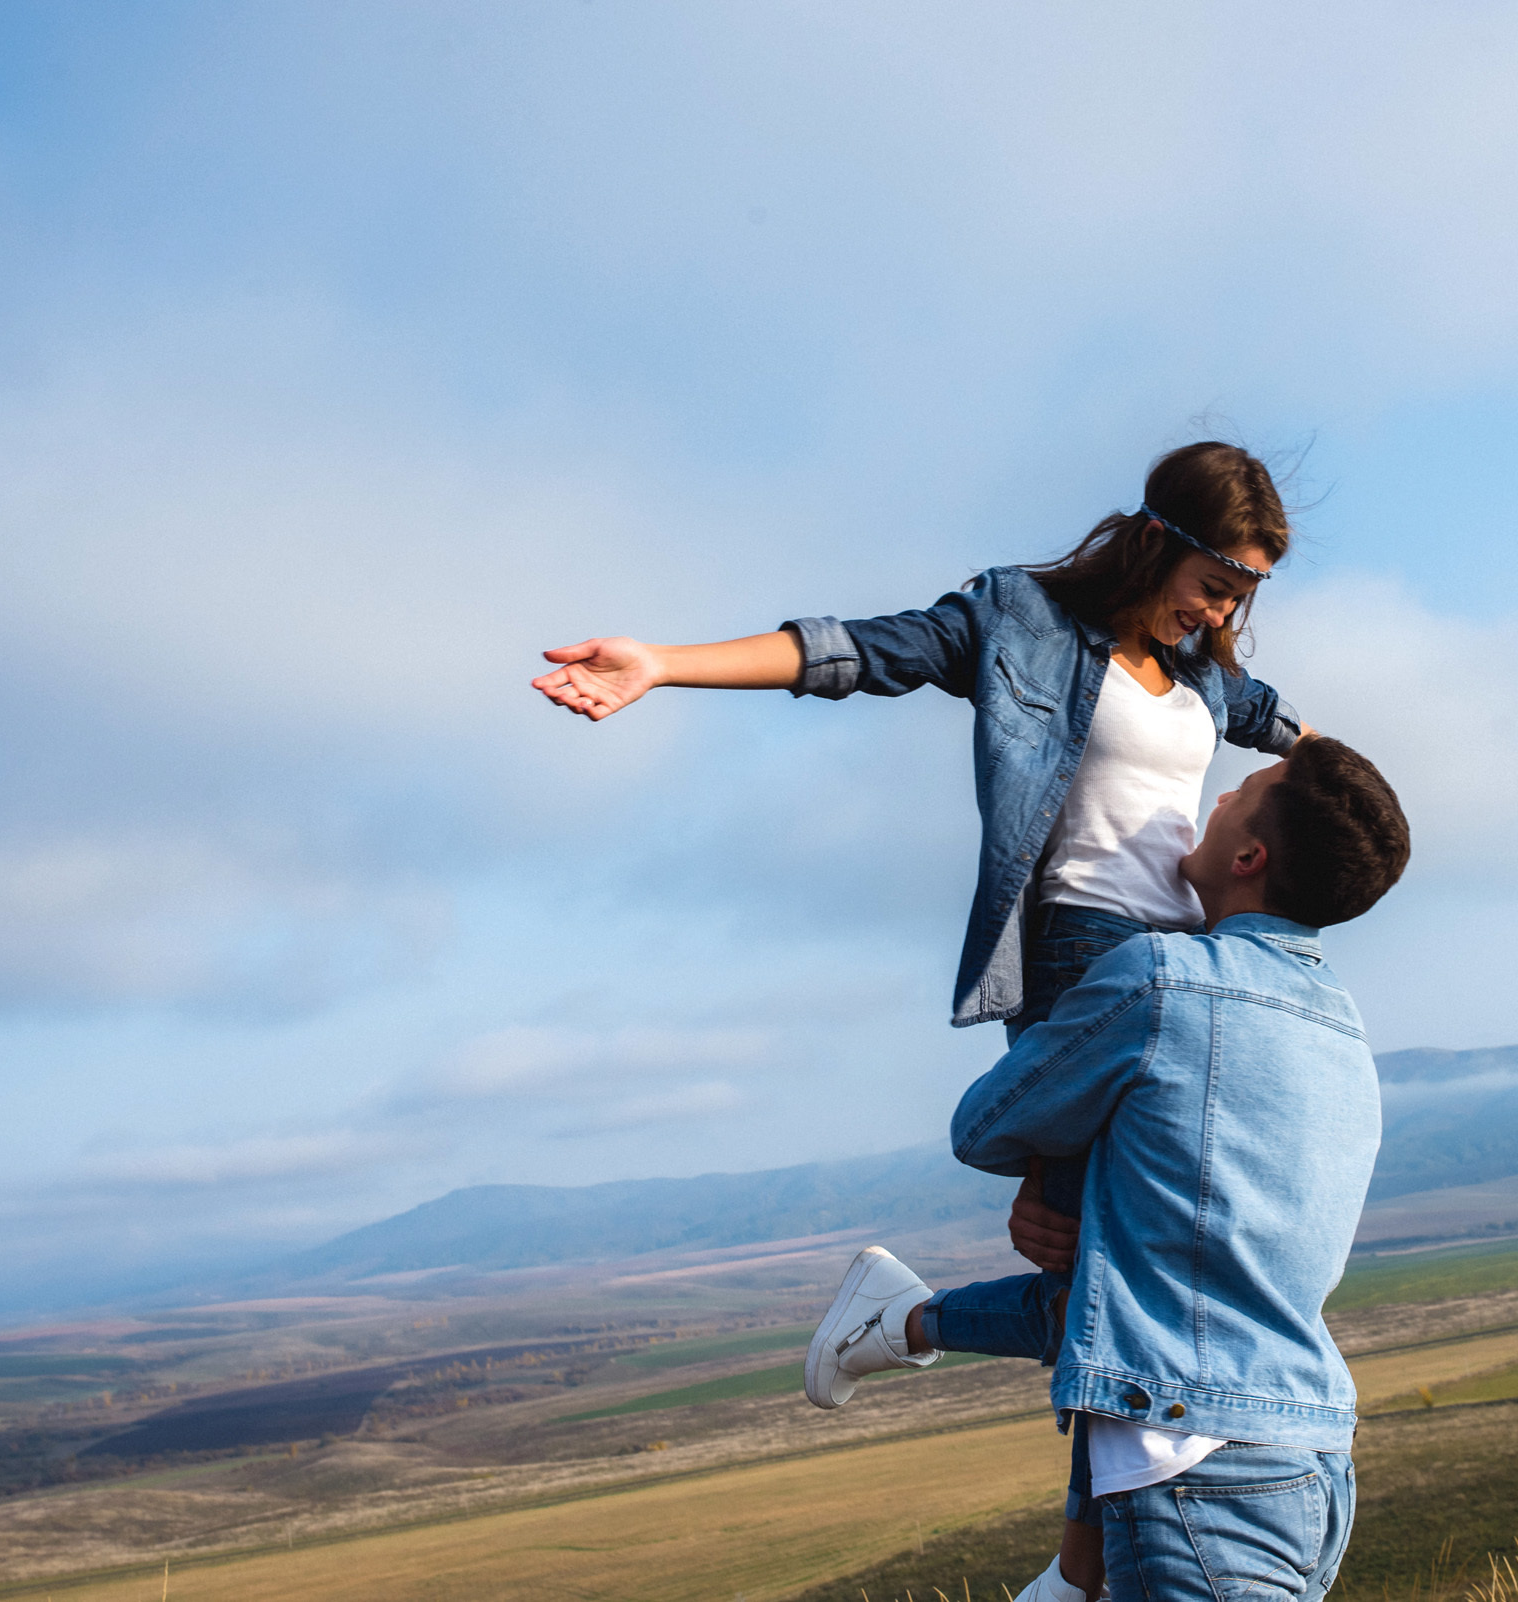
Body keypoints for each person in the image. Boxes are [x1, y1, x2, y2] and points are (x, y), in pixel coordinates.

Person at [533, 443, 1313, 1592]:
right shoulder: (1022, 620)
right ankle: (1070, 1564)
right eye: (1217, 576)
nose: (1227, 607)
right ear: (1156, 537)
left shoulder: (1199, 673)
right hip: (1078, 960)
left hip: (1184, 968)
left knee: (1116, 1286)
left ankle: (913, 1333)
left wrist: (1335, 774)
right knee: (1121, 1292)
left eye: (1247, 591)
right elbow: (855, 652)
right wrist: (664, 664)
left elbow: (1273, 724)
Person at [805, 738, 1410, 1602]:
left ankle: (907, 1326)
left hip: (1199, 1463)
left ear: (1249, 856)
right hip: (1310, 1455)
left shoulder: (1165, 980)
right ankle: (908, 1327)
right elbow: (1150, 1287)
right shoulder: (1342, 1023)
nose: (1222, 790)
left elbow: (983, 1126)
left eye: (1244, 787)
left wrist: (1053, 1162)